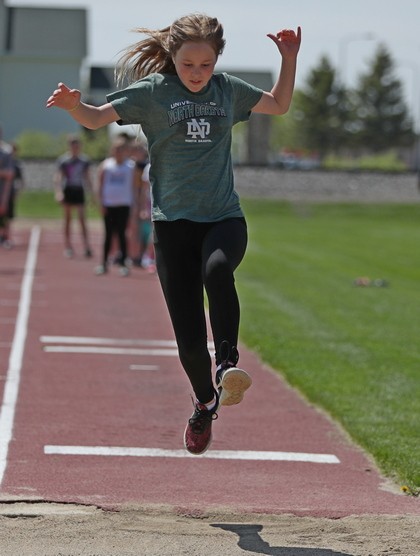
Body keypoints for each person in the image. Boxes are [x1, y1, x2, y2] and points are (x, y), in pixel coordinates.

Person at [46, 14, 301, 455]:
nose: (197, 73)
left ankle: (228, 366)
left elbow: (278, 105)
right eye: (188, 65)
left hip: (222, 218)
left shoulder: (228, 90)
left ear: (217, 60)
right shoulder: (153, 92)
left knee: (218, 271)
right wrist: (73, 105)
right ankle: (204, 404)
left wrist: (289, 58)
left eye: (206, 64)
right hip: (172, 226)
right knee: (188, 340)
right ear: (172, 57)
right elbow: (96, 118)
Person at [94, 137, 138, 277]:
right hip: (109, 204)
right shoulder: (106, 165)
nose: (118, 151)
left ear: (125, 150)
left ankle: (123, 263)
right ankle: (104, 263)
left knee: (122, 234)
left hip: (124, 204)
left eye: (121, 149)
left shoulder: (131, 166)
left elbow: (134, 186)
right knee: (108, 234)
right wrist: (100, 202)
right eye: (116, 149)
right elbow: (100, 184)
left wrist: (135, 205)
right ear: (112, 150)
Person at [54, 136, 93, 258]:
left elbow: (87, 177)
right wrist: (59, 192)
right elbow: (59, 177)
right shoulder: (64, 160)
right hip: (68, 189)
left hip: (79, 190)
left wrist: (91, 193)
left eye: (77, 146)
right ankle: (68, 246)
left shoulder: (84, 160)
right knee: (68, 219)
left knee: (82, 219)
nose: (75, 148)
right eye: (73, 146)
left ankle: (86, 246)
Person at [0, 129, 13, 247]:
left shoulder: (6, 151)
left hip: (2, 189)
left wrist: (4, 198)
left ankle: (5, 237)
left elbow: (9, 174)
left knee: (4, 214)